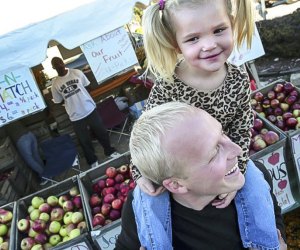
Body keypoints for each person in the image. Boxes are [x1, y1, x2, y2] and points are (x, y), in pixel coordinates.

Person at [132, 0, 256, 203]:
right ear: (175, 43)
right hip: (185, 174)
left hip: (225, 164)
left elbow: (241, 127)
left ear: (232, 24)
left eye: (219, 30)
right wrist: (139, 171)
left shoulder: (239, 78)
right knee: (147, 203)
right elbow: (146, 133)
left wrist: (236, 171)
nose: (209, 45)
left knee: (257, 192)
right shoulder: (168, 85)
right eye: (193, 38)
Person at [116, 102, 287, 250]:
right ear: (176, 185)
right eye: (214, 154)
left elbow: (273, 214)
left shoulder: (254, 178)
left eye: (222, 133)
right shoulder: (142, 212)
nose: (238, 150)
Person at [51, 57, 120, 168]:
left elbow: (88, 87)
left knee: (101, 132)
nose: (59, 65)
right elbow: (58, 101)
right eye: (56, 64)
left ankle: (109, 151)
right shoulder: (55, 84)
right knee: (84, 140)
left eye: (60, 62)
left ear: (63, 63)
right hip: (75, 116)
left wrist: (81, 97)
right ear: (53, 67)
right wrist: (71, 100)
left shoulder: (76, 72)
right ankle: (92, 160)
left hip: (89, 109)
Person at [4, 120, 48, 185]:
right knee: (36, 156)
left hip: (22, 140)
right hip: (30, 134)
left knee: (30, 161)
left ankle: (45, 176)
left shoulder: (3, 120)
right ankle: (47, 174)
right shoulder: (11, 113)